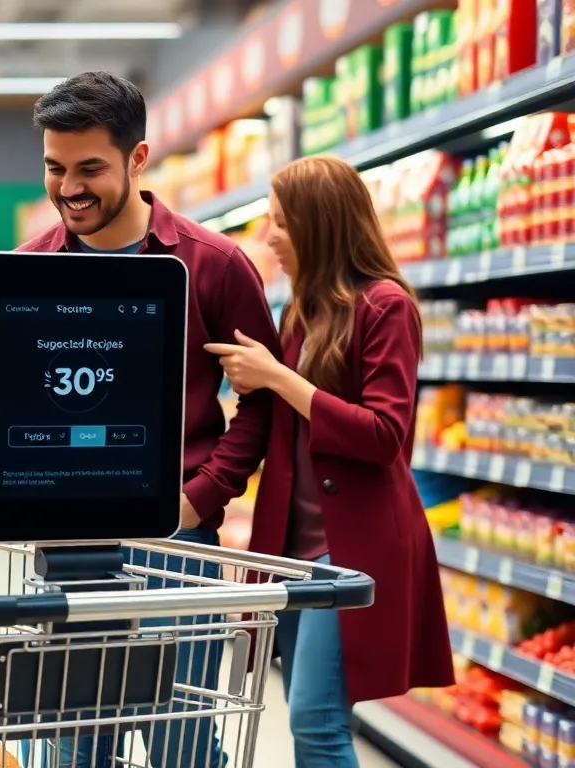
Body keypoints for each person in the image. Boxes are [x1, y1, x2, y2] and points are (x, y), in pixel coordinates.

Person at [17, 71, 280, 768]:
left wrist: (200, 499)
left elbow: (261, 399)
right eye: (54, 167)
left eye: (90, 169)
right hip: (71, 551)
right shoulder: (27, 269)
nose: (68, 188)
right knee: (75, 746)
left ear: (138, 160)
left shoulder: (215, 264)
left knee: (181, 743)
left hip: (179, 551)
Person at [205, 155, 454, 766]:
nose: (269, 238)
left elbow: (384, 433)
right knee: (309, 713)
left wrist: (282, 378)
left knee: (315, 722)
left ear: (319, 225)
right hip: (294, 552)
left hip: (351, 547)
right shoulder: (303, 311)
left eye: (280, 223)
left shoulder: (385, 306)